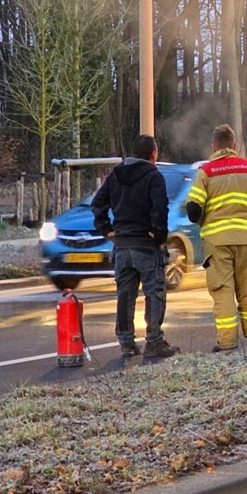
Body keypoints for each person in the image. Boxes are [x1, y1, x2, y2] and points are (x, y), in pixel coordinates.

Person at [91, 135, 179, 358]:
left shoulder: (115, 175)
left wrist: (106, 229)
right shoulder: (153, 176)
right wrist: (159, 235)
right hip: (146, 246)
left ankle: (127, 343)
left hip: (121, 246)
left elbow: (98, 203)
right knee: (155, 293)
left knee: (125, 296)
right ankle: (154, 342)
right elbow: (160, 208)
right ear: (153, 154)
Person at [187, 125, 247, 351]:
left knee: (223, 291)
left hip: (217, 242)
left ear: (214, 147)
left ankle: (227, 343)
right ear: (234, 146)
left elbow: (193, 209)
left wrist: (207, 221)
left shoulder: (206, 172)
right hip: (245, 239)